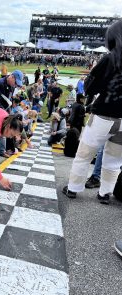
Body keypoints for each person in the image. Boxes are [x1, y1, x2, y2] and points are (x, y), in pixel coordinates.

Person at [62, 20, 122, 204]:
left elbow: (90, 87)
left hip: (103, 114)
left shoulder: (110, 58)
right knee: (113, 161)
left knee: (84, 154)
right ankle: (105, 193)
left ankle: (73, 188)